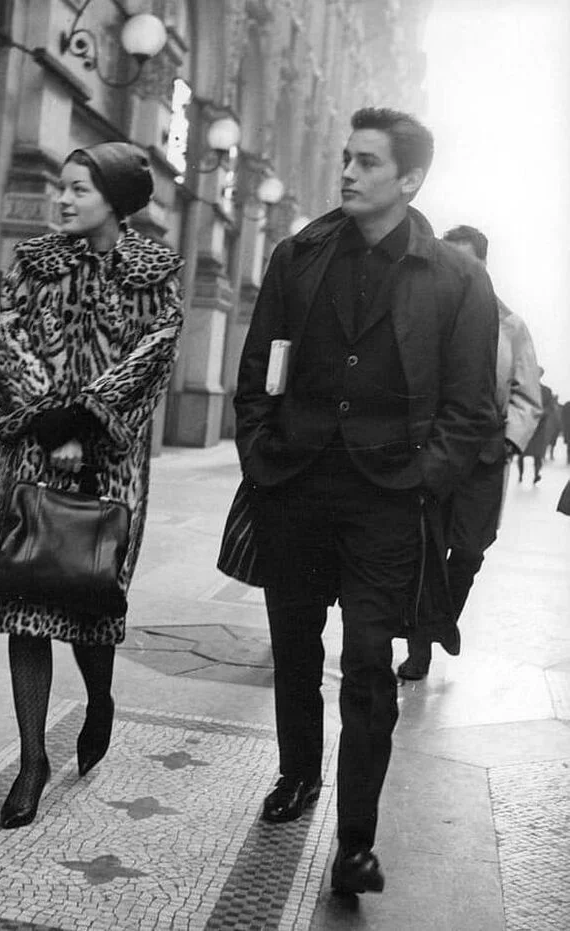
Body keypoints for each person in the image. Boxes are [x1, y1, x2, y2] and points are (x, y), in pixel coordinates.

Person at [223, 108, 499, 896]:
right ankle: (297, 774)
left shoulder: (455, 277)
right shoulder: (298, 255)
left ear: (409, 179)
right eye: (346, 158)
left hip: (389, 501)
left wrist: (422, 480)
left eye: (367, 162)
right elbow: (257, 375)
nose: (347, 171)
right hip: (297, 487)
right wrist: (261, 454)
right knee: (296, 649)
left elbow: (472, 407)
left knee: (370, 666)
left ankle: (355, 842)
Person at [0, 142, 184, 830]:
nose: (63, 200)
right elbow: (7, 340)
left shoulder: (154, 273)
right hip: (33, 452)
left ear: (117, 198)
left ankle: (100, 698)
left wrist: (87, 419)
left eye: (79, 189)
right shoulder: (33, 263)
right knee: (26, 597)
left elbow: (153, 353)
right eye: (61, 188)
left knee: (89, 595)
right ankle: (32, 759)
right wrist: (48, 422)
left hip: (111, 461)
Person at [398, 225, 542, 679]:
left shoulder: (511, 325)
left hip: (484, 454)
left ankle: (443, 620)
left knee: (470, 552)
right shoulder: (426, 313)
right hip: (436, 449)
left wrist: (509, 442)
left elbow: (527, 396)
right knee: (426, 549)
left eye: (466, 262)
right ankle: (420, 647)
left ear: (481, 266)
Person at [516, 372, 552, 484]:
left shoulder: (546, 391)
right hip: (526, 426)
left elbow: (550, 407)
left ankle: (536, 475)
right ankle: (520, 475)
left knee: (537, 454)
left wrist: (543, 413)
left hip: (540, 427)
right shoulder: (525, 389)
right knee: (521, 453)